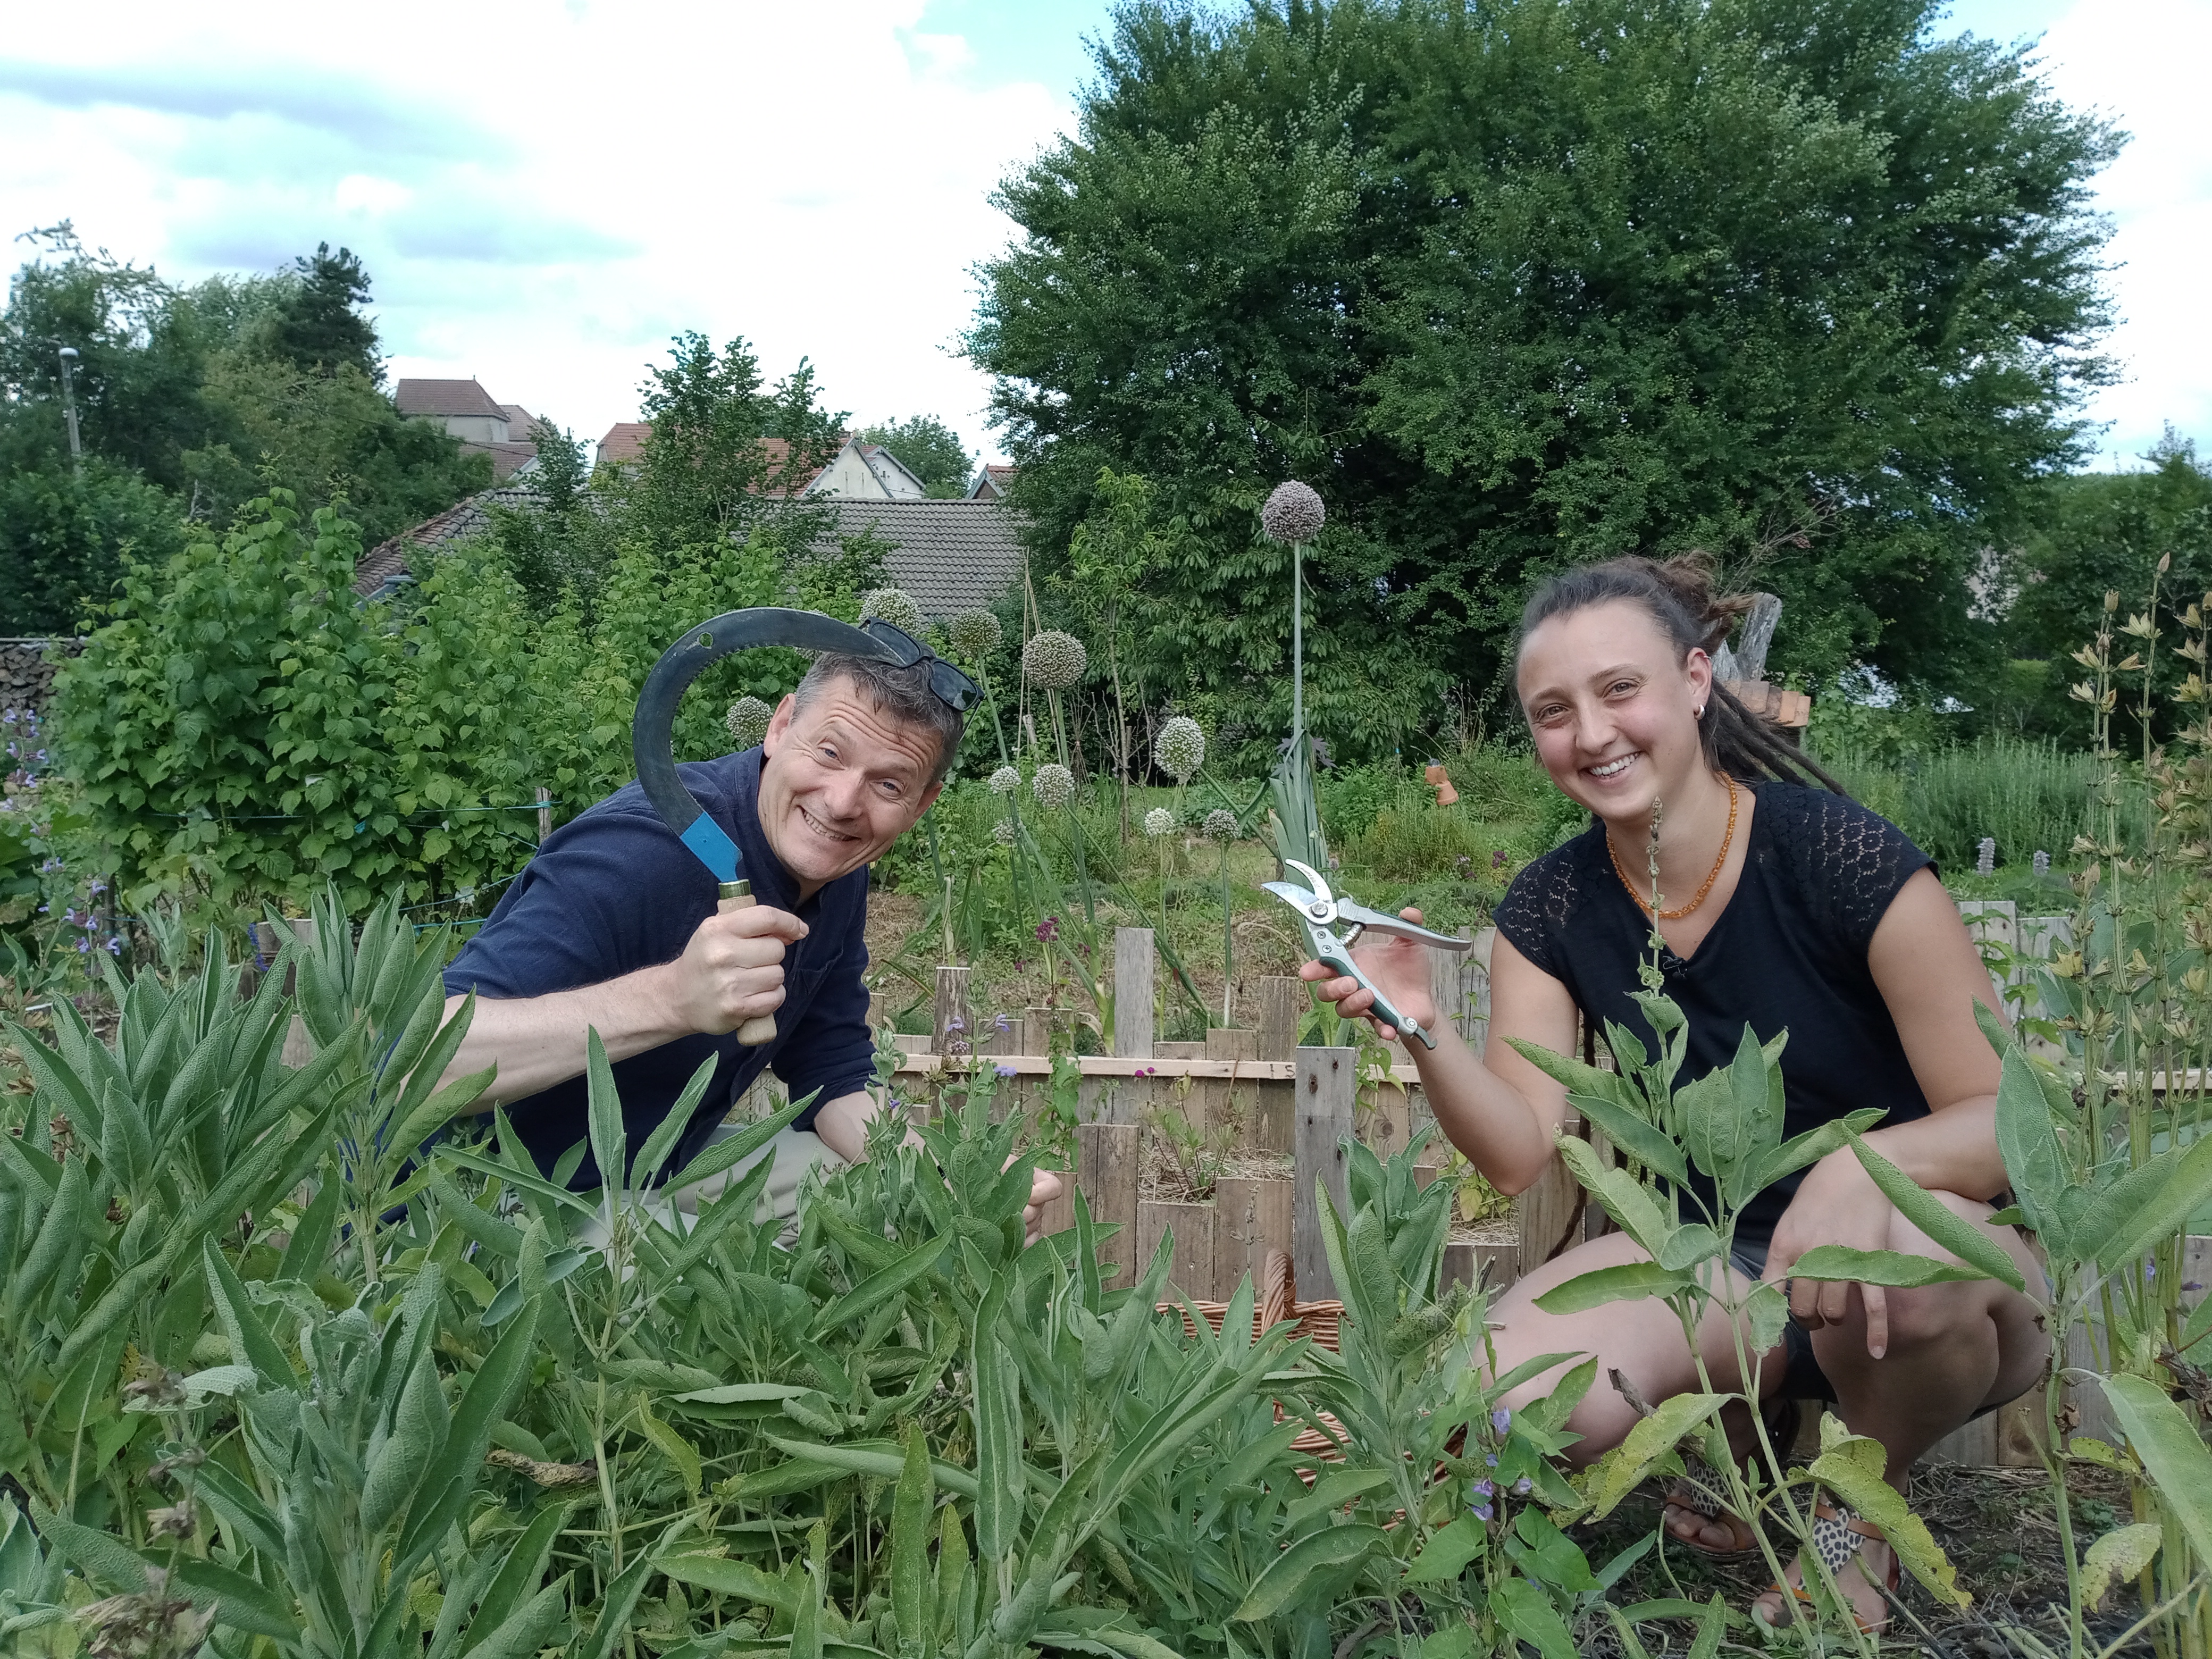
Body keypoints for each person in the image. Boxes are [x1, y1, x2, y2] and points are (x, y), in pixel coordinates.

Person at [1299, 556, 2046, 1632]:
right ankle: (1750, 1440)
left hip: (1941, 1260)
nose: (1590, 734)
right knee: (1501, 1414)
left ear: (1695, 681)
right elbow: (1517, 1151)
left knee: (1912, 1278)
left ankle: (1852, 1529)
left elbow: (2008, 1127)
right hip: (1718, 1261)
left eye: (1619, 690)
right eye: (1551, 713)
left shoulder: (1841, 859)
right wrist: (1420, 1028)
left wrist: (1860, 1170)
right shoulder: (1551, 904)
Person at [439, 625, 1061, 1239]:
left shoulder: (836, 867)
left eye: (888, 784)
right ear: (780, 725)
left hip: (657, 1165)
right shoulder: (640, 852)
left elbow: (835, 1077)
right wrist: (670, 1001)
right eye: (829, 752)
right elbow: (415, 1064)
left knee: (894, 1206)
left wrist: (954, 1175)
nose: (843, 801)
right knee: (674, 1281)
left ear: (922, 805)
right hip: (478, 1195)